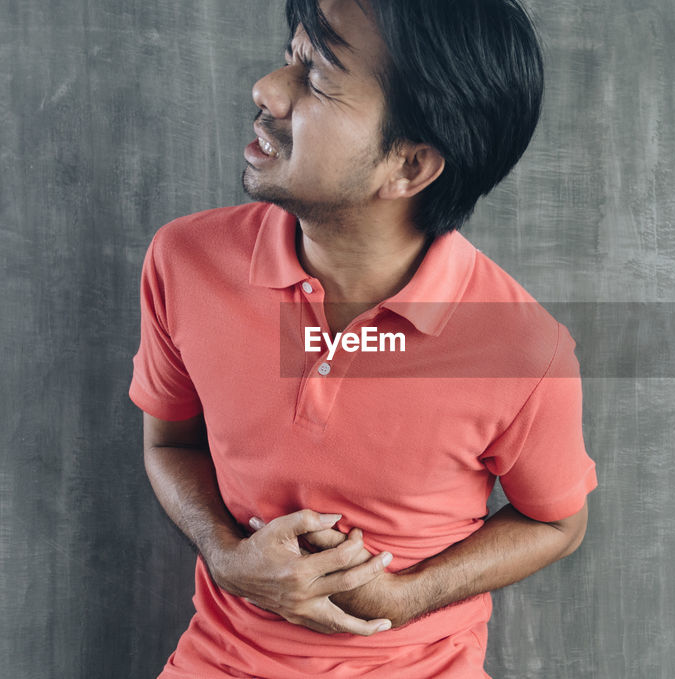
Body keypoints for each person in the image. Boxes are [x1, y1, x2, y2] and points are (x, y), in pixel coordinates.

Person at [128, 0, 597, 676]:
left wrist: (404, 597)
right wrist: (227, 557)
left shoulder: (523, 350)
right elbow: (168, 441)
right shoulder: (185, 260)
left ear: (408, 166)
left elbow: (558, 522)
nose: (266, 90)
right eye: (293, 55)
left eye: (315, 78)